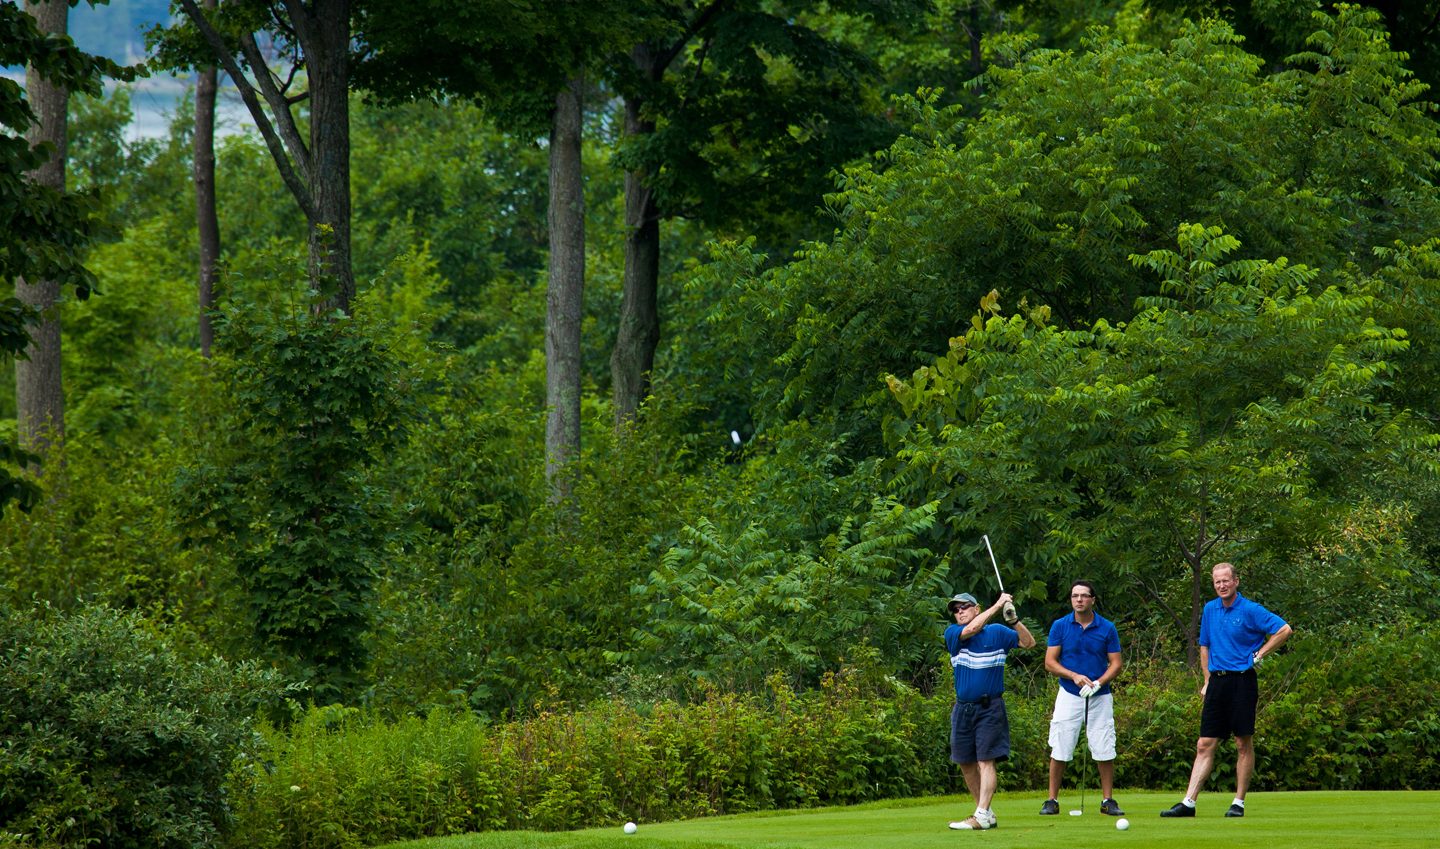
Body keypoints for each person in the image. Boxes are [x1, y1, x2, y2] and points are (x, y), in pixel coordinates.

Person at [1161, 562, 1292, 819]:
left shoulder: (1251, 609)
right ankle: (1188, 802)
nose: (1221, 585)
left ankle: (1238, 803)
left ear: (1236, 581)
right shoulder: (1210, 609)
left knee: (1242, 741)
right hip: (1217, 683)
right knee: (1204, 743)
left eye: (1225, 580)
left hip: (1242, 681)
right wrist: (1207, 680)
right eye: (1217, 582)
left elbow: (1284, 629)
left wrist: (1261, 653)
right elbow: (1204, 647)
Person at [944, 590, 1035, 831]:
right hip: (963, 709)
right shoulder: (953, 634)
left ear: (976, 608)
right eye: (955, 609)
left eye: (964, 607)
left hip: (990, 707)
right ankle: (984, 812)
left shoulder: (997, 633)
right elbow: (971, 630)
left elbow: (1028, 643)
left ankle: (982, 813)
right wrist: (998, 604)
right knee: (965, 762)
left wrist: (1014, 621)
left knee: (986, 761)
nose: (959, 611)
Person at [1040, 580, 1125, 816]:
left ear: (1092, 600)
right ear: (1071, 599)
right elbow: (1050, 662)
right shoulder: (1060, 626)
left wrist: (1098, 682)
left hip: (1100, 695)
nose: (1079, 600)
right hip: (1069, 694)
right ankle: (1051, 801)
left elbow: (1116, 663)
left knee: (1104, 747)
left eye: (1084, 596)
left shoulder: (1107, 628)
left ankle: (1108, 800)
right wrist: (1074, 675)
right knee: (1060, 746)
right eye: (1075, 596)